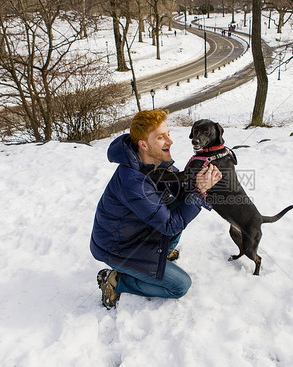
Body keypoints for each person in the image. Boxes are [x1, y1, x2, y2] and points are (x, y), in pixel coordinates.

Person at [90, 110, 222, 309]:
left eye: (168, 134)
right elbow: (169, 225)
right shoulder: (132, 182)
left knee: (179, 205)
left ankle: (160, 254)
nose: (170, 141)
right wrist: (200, 191)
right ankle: (116, 281)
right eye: (161, 137)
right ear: (143, 144)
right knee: (180, 286)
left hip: (136, 233)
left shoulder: (155, 162)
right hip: (118, 249)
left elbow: (180, 190)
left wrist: (200, 180)